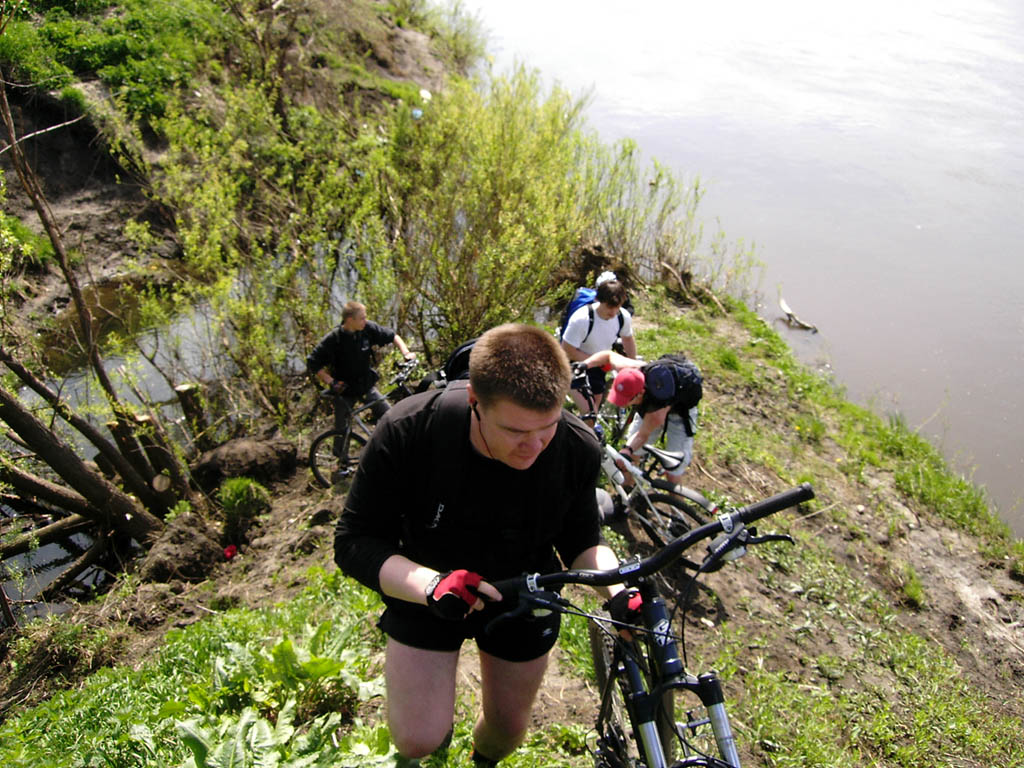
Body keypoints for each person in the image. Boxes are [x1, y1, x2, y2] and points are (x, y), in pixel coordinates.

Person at [333, 323, 632, 766]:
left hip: (523, 589)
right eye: (515, 431)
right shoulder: (410, 431)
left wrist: (619, 590)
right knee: (417, 739)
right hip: (428, 588)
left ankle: (482, 759)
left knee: (507, 732)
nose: (534, 446)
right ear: (475, 400)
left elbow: (582, 542)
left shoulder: (575, 446)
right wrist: (433, 586)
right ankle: (435, 737)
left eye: (547, 426)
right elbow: (354, 542)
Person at [581, 348, 702, 486]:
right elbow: (608, 355)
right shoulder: (631, 371)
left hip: (679, 415)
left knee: (673, 472)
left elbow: (642, 435)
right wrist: (584, 365)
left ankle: (675, 497)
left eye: (626, 400)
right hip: (651, 404)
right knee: (632, 456)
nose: (622, 404)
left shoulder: (655, 413)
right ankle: (627, 488)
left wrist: (627, 450)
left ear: (641, 393)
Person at [306, 300, 415, 437]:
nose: (365, 321)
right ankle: (341, 450)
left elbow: (393, 336)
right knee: (341, 432)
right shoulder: (334, 338)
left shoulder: (367, 329)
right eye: (362, 318)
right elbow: (312, 361)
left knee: (391, 417)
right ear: (350, 320)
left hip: (366, 386)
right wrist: (331, 381)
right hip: (345, 390)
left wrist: (406, 353)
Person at [560, 276, 637, 420]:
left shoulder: (623, 317)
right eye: (609, 306)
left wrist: (632, 365)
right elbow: (566, 351)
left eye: (617, 307)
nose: (613, 312)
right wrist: (599, 361)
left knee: (593, 410)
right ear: (598, 300)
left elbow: (627, 339)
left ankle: (580, 429)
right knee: (590, 413)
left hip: (598, 368)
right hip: (573, 366)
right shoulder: (581, 319)